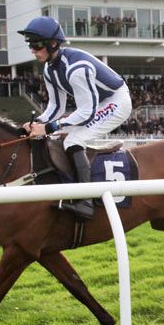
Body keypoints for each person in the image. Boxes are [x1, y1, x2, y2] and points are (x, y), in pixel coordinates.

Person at [19, 17, 132, 220]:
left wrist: (50, 127)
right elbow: (55, 106)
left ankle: (86, 202)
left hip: (117, 101)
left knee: (73, 139)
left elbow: (86, 112)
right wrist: (38, 123)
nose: (32, 49)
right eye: (30, 44)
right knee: (58, 136)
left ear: (52, 44)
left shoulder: (75, 69)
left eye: (36, 44)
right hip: (99, 103)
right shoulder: (49, 69)